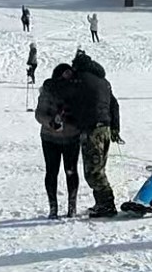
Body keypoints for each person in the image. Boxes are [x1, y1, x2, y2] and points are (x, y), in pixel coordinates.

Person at [70, 50, 121, 217]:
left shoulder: (80, 80)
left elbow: (72, 103)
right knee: (99, 168)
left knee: (93, 171)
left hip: (92, 130)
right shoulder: (103, 81)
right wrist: (115, 128)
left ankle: (107, 205)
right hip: (105, 128)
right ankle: (102, 203)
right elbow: (114, 105)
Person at [35, 63, 82, 219]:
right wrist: (51, 122)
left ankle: (67, 207)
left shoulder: (69, 89)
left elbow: (40, 114)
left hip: (64, 137)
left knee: (64, 171)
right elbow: (39, 114)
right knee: (58, 172)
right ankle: (57, 207)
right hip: (56, 137)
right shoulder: (55, 89)